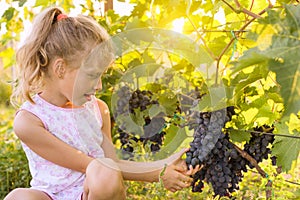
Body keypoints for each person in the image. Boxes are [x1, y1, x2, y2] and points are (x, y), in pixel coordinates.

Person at [4, 7, 200, 200]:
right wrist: (158, 173)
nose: (98, 86)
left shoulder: (98, 109)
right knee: (19, 197)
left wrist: (165, 164)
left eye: (101, 76)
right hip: (50, 195)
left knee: (105, 171)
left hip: (91, 194)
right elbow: (85, 164)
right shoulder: (29, 121)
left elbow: (112, 166)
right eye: (92, 76)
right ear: (60, 68)